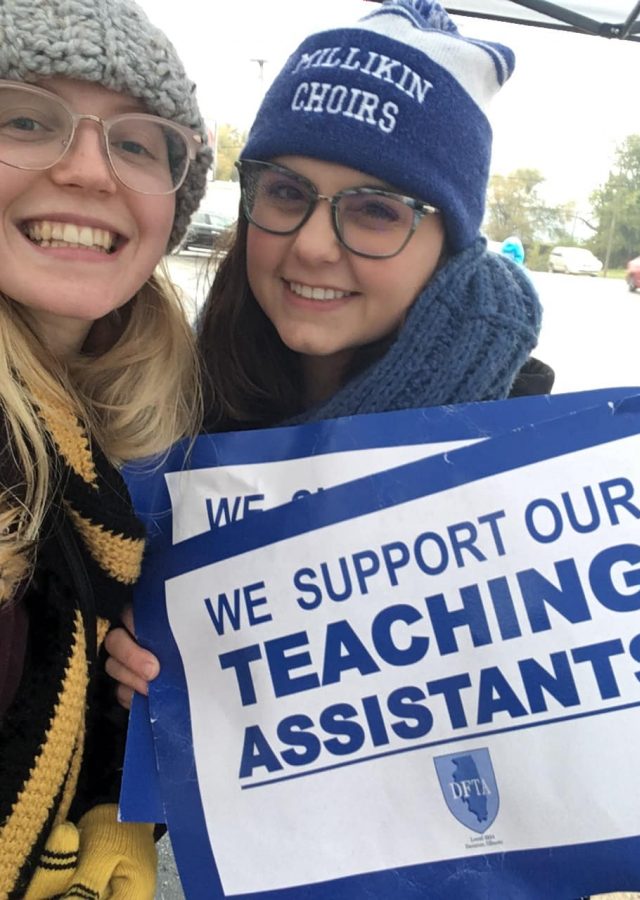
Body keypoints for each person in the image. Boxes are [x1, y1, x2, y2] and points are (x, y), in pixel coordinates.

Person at [106, 0, 553, 695]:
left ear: (449, 249)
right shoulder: (161, 400)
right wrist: (127, 653)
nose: (311, 246)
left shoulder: (532, 461)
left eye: (375, 210)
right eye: (286, 192)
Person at [0, 0, 211, 896]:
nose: (87, 170)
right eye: (23, 117)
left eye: (135, 142)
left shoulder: (142, 440)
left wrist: (116, 792)